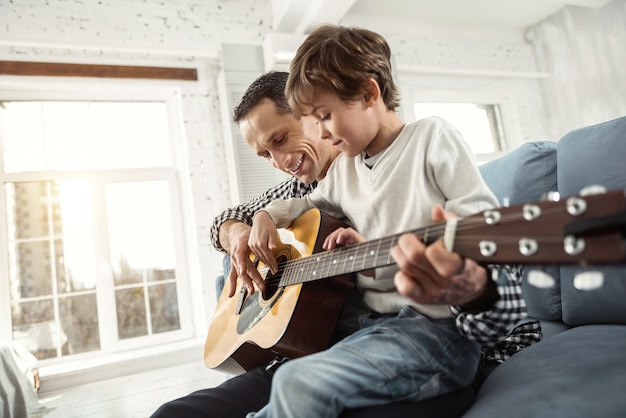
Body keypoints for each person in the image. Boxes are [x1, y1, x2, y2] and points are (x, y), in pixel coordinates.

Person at [151, 68, 540, 418]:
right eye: (265, 154)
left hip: (402, 345)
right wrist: (239, 230)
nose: (278, 160)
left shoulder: (408, 160)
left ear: (312, 112)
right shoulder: (302, 188)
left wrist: (464, 285)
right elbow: (227, 219)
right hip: (314, 352)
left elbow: (494, 274)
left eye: (281, 139)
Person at [245, 24, 532, 418]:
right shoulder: (345, 169)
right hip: (373, 328)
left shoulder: (432, 138)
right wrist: (264, 215)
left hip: (434, 333)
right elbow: (304, 205)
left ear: (368, 93)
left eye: (325, 116)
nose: (323, 133)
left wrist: (455, 266)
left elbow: (483, 235)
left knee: (296, 383)